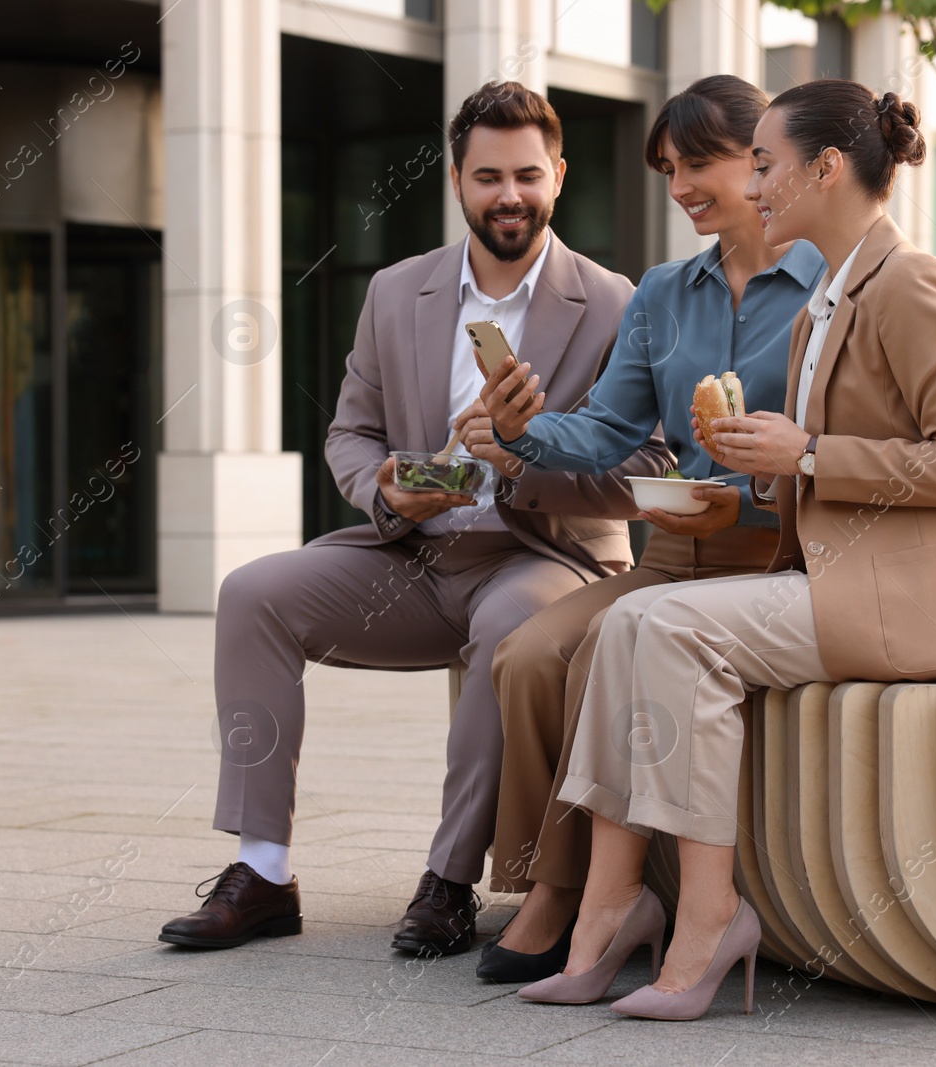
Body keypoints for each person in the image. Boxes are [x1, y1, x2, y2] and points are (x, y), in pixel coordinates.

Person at [516, 78, 936, 1021]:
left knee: (667, 628)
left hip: (922, 602)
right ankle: (610, 905)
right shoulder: (825, 305)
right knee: (631, 621)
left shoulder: (912, 282)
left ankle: (710, 917)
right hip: (845, 582)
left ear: (827, 168)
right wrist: (759, 467)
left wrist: (807, 453)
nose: (751, 186)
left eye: (763, 162)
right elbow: (814, 470)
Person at [158, 81, 669, 958]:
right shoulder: (398, 292)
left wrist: (522, 463)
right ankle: (264, 870)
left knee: (510, 624)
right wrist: (389, 491)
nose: (509, 195)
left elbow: (648, 468)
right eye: (487, 177)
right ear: (457, 181)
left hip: (543, 555)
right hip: (414, 555)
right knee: (252, 594)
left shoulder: (617, 302)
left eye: (527, 175)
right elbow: (348, 431)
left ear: (558, 175)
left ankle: (449, 879)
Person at [472, 76, 825, 984]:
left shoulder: (827, 286)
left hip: (770, 557)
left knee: (595, 653)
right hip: (672, 555)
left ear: (762, 160)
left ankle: (567, 895)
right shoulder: (665, 294)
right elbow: (606, 431)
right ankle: (545, 879)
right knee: (524, 652)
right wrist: (519, 431)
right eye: (669, 168)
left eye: (697, 164)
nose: (680, 188)